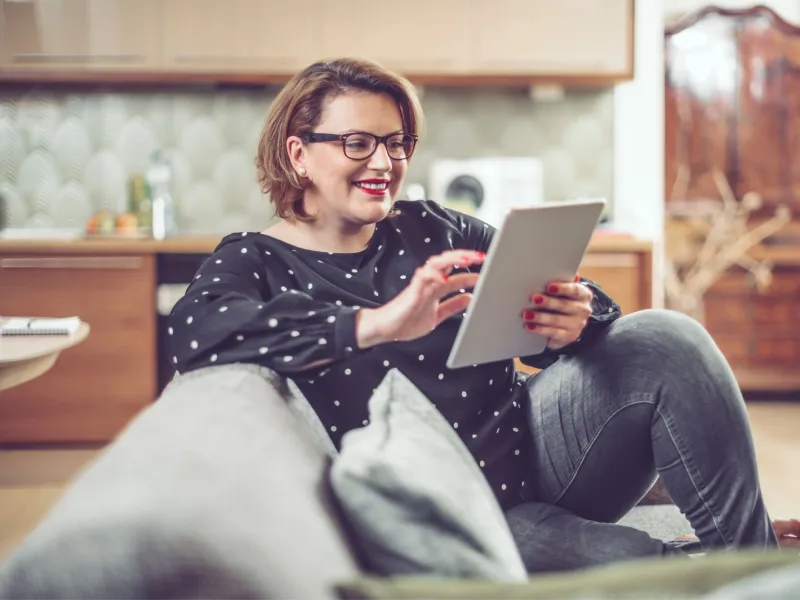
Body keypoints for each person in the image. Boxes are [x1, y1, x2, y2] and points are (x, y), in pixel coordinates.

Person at [168, 57, 799, 571]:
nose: (385, 164)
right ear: (299, 152)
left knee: (665, 335)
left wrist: (573, 320)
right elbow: (195, 334)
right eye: (358, 143)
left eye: (396, 143)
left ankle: (757, 561)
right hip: (444, 507)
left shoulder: (437, 227)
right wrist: (377, 324)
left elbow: (585, 309)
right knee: (647, 565)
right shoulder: (255, 259)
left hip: (535, 449)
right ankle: (722, 573)